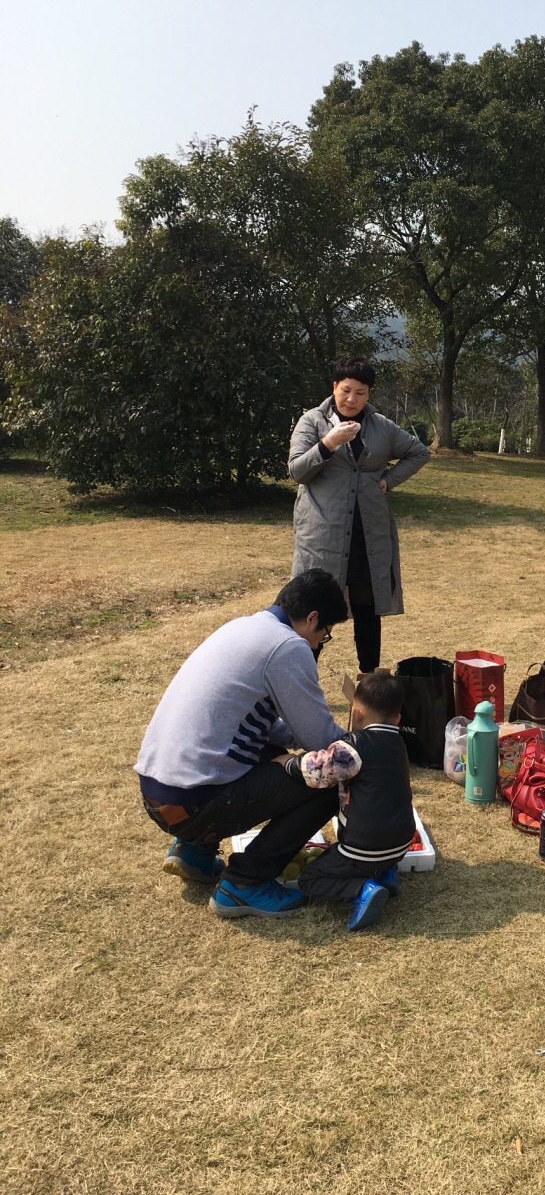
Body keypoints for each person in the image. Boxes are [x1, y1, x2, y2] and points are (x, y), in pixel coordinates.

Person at [134, 569, 350, 920]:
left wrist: (291, 743)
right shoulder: (288, 646)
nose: (318, 645)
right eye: (324, 634)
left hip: (159, 795)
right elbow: (320, 739)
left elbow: (249, 722)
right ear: (312, 618)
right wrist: (365, 745)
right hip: (196, 803)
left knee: (267, 753)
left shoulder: (241, 627)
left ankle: (194, 852)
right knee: (327, 777)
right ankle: (245, 882)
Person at [289, 356, 430, 674]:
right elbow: (297, 470)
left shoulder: (381, 426)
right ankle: (299, 681)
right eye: (346, 390)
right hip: (323, 534)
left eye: (361, 392)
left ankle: (369, 683)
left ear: (368, 394)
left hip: (368, 534)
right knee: (314, 611)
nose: (352, 399)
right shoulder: (312, 422)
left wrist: (389, 479)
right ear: (334, 387)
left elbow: (419, 452)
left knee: (368, 609)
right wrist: (329, 443)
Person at [297, 673, 416, 931]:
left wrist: (290, 763)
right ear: (397, 719)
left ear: (356, 714)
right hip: (402, 842)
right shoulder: (399, 743)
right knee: (380, 842)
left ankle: (361, 889)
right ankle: (385, 873)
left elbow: (318, 773)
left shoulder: (355, 747)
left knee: (310, 879)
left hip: (364, 846)